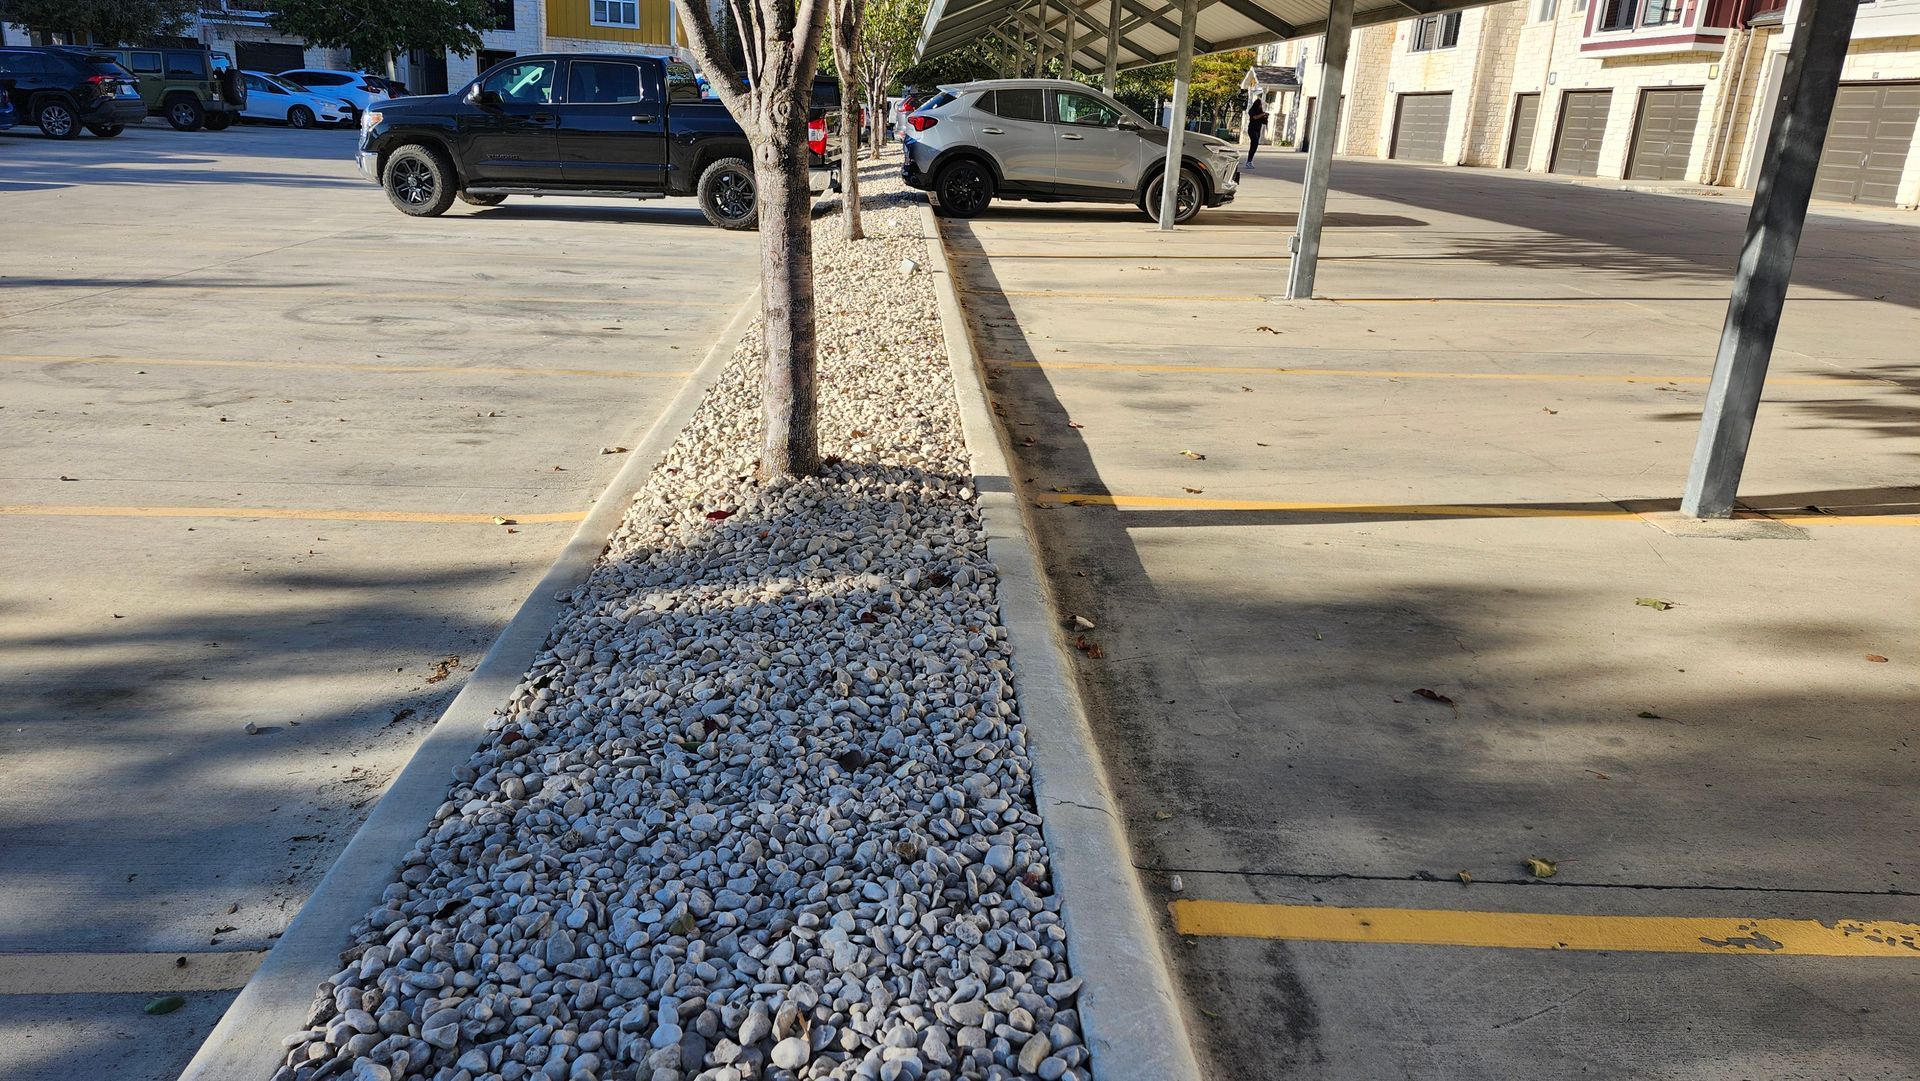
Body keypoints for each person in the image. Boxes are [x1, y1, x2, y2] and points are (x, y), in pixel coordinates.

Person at [1245, 95, 1269, 166]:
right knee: (1254, 143)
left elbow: (1263, 122)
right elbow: (1255, 117)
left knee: (1255, 145)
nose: (1261, 106)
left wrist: (1265, 117)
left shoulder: (1260, 112)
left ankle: (1250, 160)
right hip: (1252, 129)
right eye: (1260, 104)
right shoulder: (1252, 110)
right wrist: (1262, 114)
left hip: (1258, 130)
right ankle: (1248, 161)